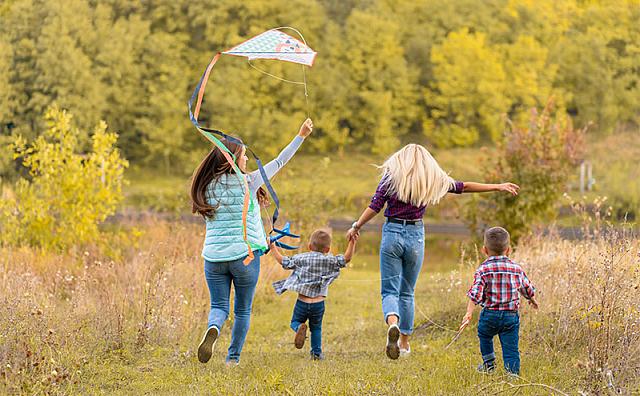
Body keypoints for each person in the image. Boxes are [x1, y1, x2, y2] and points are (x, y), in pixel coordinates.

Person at [346, 143, 520, 360]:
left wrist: (357, 226)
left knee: (390, 291)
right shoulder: (431, 179)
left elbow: (375, 205)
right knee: (407, 292)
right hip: (416, 235)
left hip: (392, 232)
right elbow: (463, 187)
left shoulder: (392, 177)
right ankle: (404, 344)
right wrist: (497, 186)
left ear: (401, 159)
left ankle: (393, 323)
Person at [191, 118, 314, 365]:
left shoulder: (205, 186)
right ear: (234, 159)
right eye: (244, 156)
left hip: (214, 259)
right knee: (243, 310)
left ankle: (214, 328)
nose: (246, 160)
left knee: (219, 306)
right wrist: (300, 135)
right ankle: (232, 359)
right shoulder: (248, 182)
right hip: (244, 257)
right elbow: (280, 161)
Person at [270, 229, 358, 360]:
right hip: (318, 304)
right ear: (328, 249)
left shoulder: (302, 258)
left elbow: (284, 261)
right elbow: (346, 258)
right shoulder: (330, 260)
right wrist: (352, 242)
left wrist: (272, 246)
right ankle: (316, 354)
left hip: (302, 302)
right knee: (316, 328)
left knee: (294, 321)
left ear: (309, 246)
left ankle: (299, 327)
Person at [461, 226, 538, 375]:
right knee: (511, 346)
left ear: (484, 250)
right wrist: (531, 299)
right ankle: (513, 374)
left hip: (490, 314)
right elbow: (527, 288)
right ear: (508, 250)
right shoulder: (516, 269)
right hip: (510, 316)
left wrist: (468, 313)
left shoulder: (483, 269)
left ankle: (489, 365)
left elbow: (475, 293)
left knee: (484, 335)